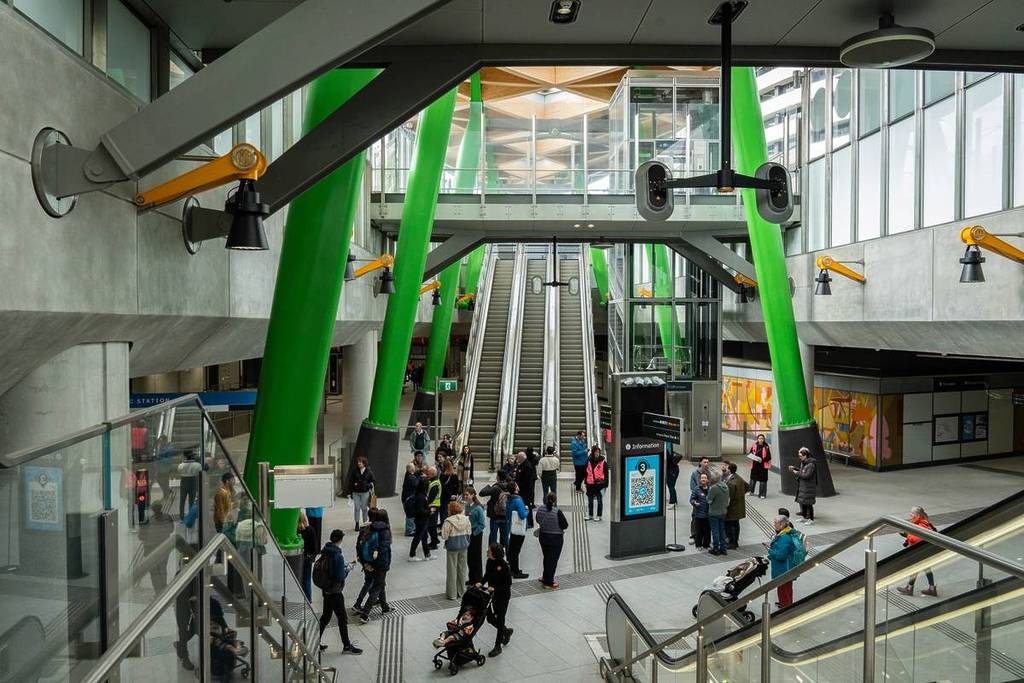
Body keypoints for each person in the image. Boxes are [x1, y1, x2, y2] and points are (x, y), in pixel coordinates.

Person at [317, 529, 362, 654]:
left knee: (326, 617)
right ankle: (347, 646)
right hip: (335, 592)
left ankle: (315, 641)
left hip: (326, 590)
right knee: (342, 619)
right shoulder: (337, 555)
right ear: (340, 540)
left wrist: (345, 566)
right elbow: (340, 576)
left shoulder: (325, 551)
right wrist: (348, 569)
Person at [355, 509, 394, 622]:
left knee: (380, 584)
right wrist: (376, 565)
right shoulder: (385, 530)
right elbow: (383, 550)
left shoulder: (368, 528)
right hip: (380, 564)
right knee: (377, 586)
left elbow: (359, 546)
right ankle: (365, 614)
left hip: (369, 562)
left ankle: (385, 608)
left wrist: (365, 563)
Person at [480, 543, 514, 657]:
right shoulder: (490, 561)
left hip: (502, 596)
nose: (487, 551)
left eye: (489, 550)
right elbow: (487, 574)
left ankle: (497, 646)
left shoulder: (504, 566)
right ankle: (506, 631)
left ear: (494, 553)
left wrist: (495, 589)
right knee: (490, 618)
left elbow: (508, 584)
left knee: (500, 618)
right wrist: (481, 583)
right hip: (492, 595)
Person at [896, 506, 939, 597]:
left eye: (912, 513)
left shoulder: (921, 524)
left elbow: (916, 538)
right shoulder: (922, 522)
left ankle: (910, 588)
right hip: (925, 550)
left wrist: (906, 535)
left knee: (916, 569)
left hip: (921, 550)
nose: (910, 514)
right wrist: (906, 535)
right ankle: (931, 589)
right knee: (926, 569)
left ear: (917, 515)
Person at [535, 492, 568, 589]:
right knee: (553, 560)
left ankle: (545, 576)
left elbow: (537, 520)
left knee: (546, 557)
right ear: (555, 501)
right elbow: (565, 525)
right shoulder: (557, 512)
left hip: (543, 536)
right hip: (556, 538)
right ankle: (549, 582)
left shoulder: (540, 509)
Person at [441, 501, 472, 599]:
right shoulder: (466, 519)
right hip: (463, 546)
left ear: (450, 510)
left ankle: (452, 594)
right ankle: (461, 591)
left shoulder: (448, 521)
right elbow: (469, 532)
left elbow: (444, 536)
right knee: (462, 569)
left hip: (452, 547)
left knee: (452, 570)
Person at [768, 515, 799, 609]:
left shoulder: (784, 538)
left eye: (776, 523)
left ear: (781, 525)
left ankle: (785, 607)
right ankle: (786, 603)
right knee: (787, 588)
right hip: (786, 567)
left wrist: (770, 551)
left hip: (783, 568)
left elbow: (781, 555)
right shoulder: (786, 533)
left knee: (783, 589)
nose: (774, 524)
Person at [462, 487, 486, 584]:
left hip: (476, 535)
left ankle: (478, 579)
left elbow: (482, 524)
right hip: (468, 534)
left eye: (467, 495)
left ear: (472, 495)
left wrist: (474, 533)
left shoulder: (478, 508)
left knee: (476, 557)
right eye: (464, 495)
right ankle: (471, 578)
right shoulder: (467, 506)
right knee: (470, 557)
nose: (465, 496)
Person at [505, 482, 529, 579]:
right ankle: (516, 571)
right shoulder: (518, 500)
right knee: (516, 550)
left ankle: (512, 569)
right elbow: (522, 515)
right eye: (516, 485)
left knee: (512, 549)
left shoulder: (509, 499)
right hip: (519, 528)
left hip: (512, 526)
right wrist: (527, 510)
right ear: (515, 488)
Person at [480, 472, 511, 547]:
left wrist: (488, 486)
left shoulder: (495, 487)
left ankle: (492, 550)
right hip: (506, 514)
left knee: (493, 534)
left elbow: (481, 493)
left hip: (495, 514)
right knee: (505, 535)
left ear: (498, 477)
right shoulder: (510, 486)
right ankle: (505, 550)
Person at [788, 447, 817, 525]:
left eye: (800, 456)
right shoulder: (805, 463)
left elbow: (807, 475)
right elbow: (803, 471)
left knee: (809, 504)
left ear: (805, 456)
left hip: (809, 487)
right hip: (804, 486)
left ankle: (811, 519)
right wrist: (795, 468)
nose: (799, 457)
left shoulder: (811, 465)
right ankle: (804, 517)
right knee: (803, 502)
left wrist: (796, 473)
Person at [409, 478, 434, 561]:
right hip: (421, 520)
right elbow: (420, 511)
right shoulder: (421, 497)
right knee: (418, 537)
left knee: (424, 537)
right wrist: (430, 511)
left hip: (422, 520)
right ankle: (412, 555)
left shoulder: (420, 495)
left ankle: (427, 554)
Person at [707, 469, 730, 556]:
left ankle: (716, 548)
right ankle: (723, 548)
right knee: (722, 530)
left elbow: (709, 500)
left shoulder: (714, 488)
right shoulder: (725, 486)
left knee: (715, 531)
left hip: (714, 512)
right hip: (723, 511)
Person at [724, 463, 747, 550]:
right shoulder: (739, 478)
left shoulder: (731, 483)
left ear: (729, 470)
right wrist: (741, 494)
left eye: (727, 468)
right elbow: (747, 486)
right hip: (739, 506)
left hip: (732, 508)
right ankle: (735, 541)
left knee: (730, 525)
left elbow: (729, 497)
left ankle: (732, 543)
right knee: (736, 524)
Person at [176, 448, 203, 519]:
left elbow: (179, 471)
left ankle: (181, 515)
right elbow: (200, 472)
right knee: (192, 500)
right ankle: (191, 515)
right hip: (193, 481)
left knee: (182, 500)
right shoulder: (197, 465)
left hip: (184, 481)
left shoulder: (181, 465)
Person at [350, 456, 375, 531]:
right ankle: (357, 523)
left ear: (364, 463)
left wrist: (367, 485)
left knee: (364, 508)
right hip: (356, 492)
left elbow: (373, 481)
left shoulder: (369, 471)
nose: (359, 464)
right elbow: (350, 481)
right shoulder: (355, 471)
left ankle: (365, 523)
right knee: (357, 508)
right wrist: (351, 490)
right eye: (358, 462)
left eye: (360, 462)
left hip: (365, 492)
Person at [298, 511, 318, 601]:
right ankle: (308, 600)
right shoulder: (310, 530)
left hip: (298, 557)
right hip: (308, 558)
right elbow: (314, 547)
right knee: (306, 580)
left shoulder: (296, 531)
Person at [514, 451, 537, 529]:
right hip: (522, 490)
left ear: (521, 458)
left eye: (518, 457)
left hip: (526, 491)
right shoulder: (522, 465)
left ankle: (530, 522)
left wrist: (519, 485)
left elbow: (528, 481)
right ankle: (525, 521)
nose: (517, 459)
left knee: (527, 506)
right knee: (523, 505)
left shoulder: (527, 466)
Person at [584, 447, 608, 521]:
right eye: (596, 452)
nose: (597, 453)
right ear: (593, 452)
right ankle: (590, 515)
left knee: (599, 501)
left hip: (599, 484)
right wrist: (585, 482)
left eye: (598, 452)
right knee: (590, 501)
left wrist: (606, 484)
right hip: (590, 484)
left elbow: (606, 474)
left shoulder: (603, 462)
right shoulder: (588, 461)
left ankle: (599, 515)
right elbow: (586, 472)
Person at [690, 473, 711, 550]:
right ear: (700, 480)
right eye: (702, 478)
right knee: (699, 531)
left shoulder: (711, 489)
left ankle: (706, 545)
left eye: (705, 478)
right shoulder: (696, 489)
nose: (703, 479)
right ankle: (698, 545)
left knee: (707, 531)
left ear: (707, 480)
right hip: (699, 514)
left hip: (708, 514)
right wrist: (694, 503)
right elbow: (692, 499)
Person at [748, 434, 771, 499]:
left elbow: (769, 457)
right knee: (752, 479)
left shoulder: (766, 447)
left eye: (762, 438)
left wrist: (762, 460)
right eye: (759, 438)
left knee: (763, 480)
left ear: (764, 439)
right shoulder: (754, 445)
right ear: (757, 439)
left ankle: (762, 494)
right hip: (755, 465)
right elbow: (750, 453)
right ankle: (751, 491)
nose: (761, 440)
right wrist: (752, 457)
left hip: (763, 466)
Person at [425, 466, 442, 549]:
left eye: (428, 473)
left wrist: (425, 503)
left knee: (431, 525)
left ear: (432, 474)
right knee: (431, 525)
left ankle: (434, 543)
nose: (427, 474)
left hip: (433, 506)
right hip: (434, 505)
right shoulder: (433, 481)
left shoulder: (435, 484)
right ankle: (435, 540)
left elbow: (431, 497)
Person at [401, 463, 419, 536]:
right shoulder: (411, 477)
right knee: (410, 514)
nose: (415, 468)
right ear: (411, 469)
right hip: (409, 499)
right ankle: (409, 531)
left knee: (410, 514)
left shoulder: (408, 475)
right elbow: (417, 484)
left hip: (406, 498)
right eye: (414, 467)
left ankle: (411, 529)